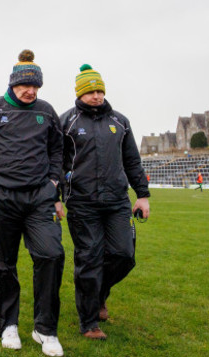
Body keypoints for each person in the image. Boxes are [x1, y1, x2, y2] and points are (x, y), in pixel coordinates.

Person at [0, 49, 65, 357]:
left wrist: (52, 184)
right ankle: (9, 324)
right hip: (1, 198)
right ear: (12, 83)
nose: (30, 91)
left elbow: (58, 153)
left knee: (51, 255)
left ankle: (44, 329)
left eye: (35, 86)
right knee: (3, 264)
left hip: (38, 199)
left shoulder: (46, 112)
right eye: (25, 85)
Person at [61, 64, 150, 340]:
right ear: (80, 93)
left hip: (116, 201)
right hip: (82, 203)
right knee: (88, 259)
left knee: (124, 255)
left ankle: (98, 294)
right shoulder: (67, 122)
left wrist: (143, 195)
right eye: (91, 92)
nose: (97, 96)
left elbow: (132, 160)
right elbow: (57, 162)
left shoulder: (120, 122)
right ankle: (89, 323)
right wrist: (58, 197)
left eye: (100, 90)